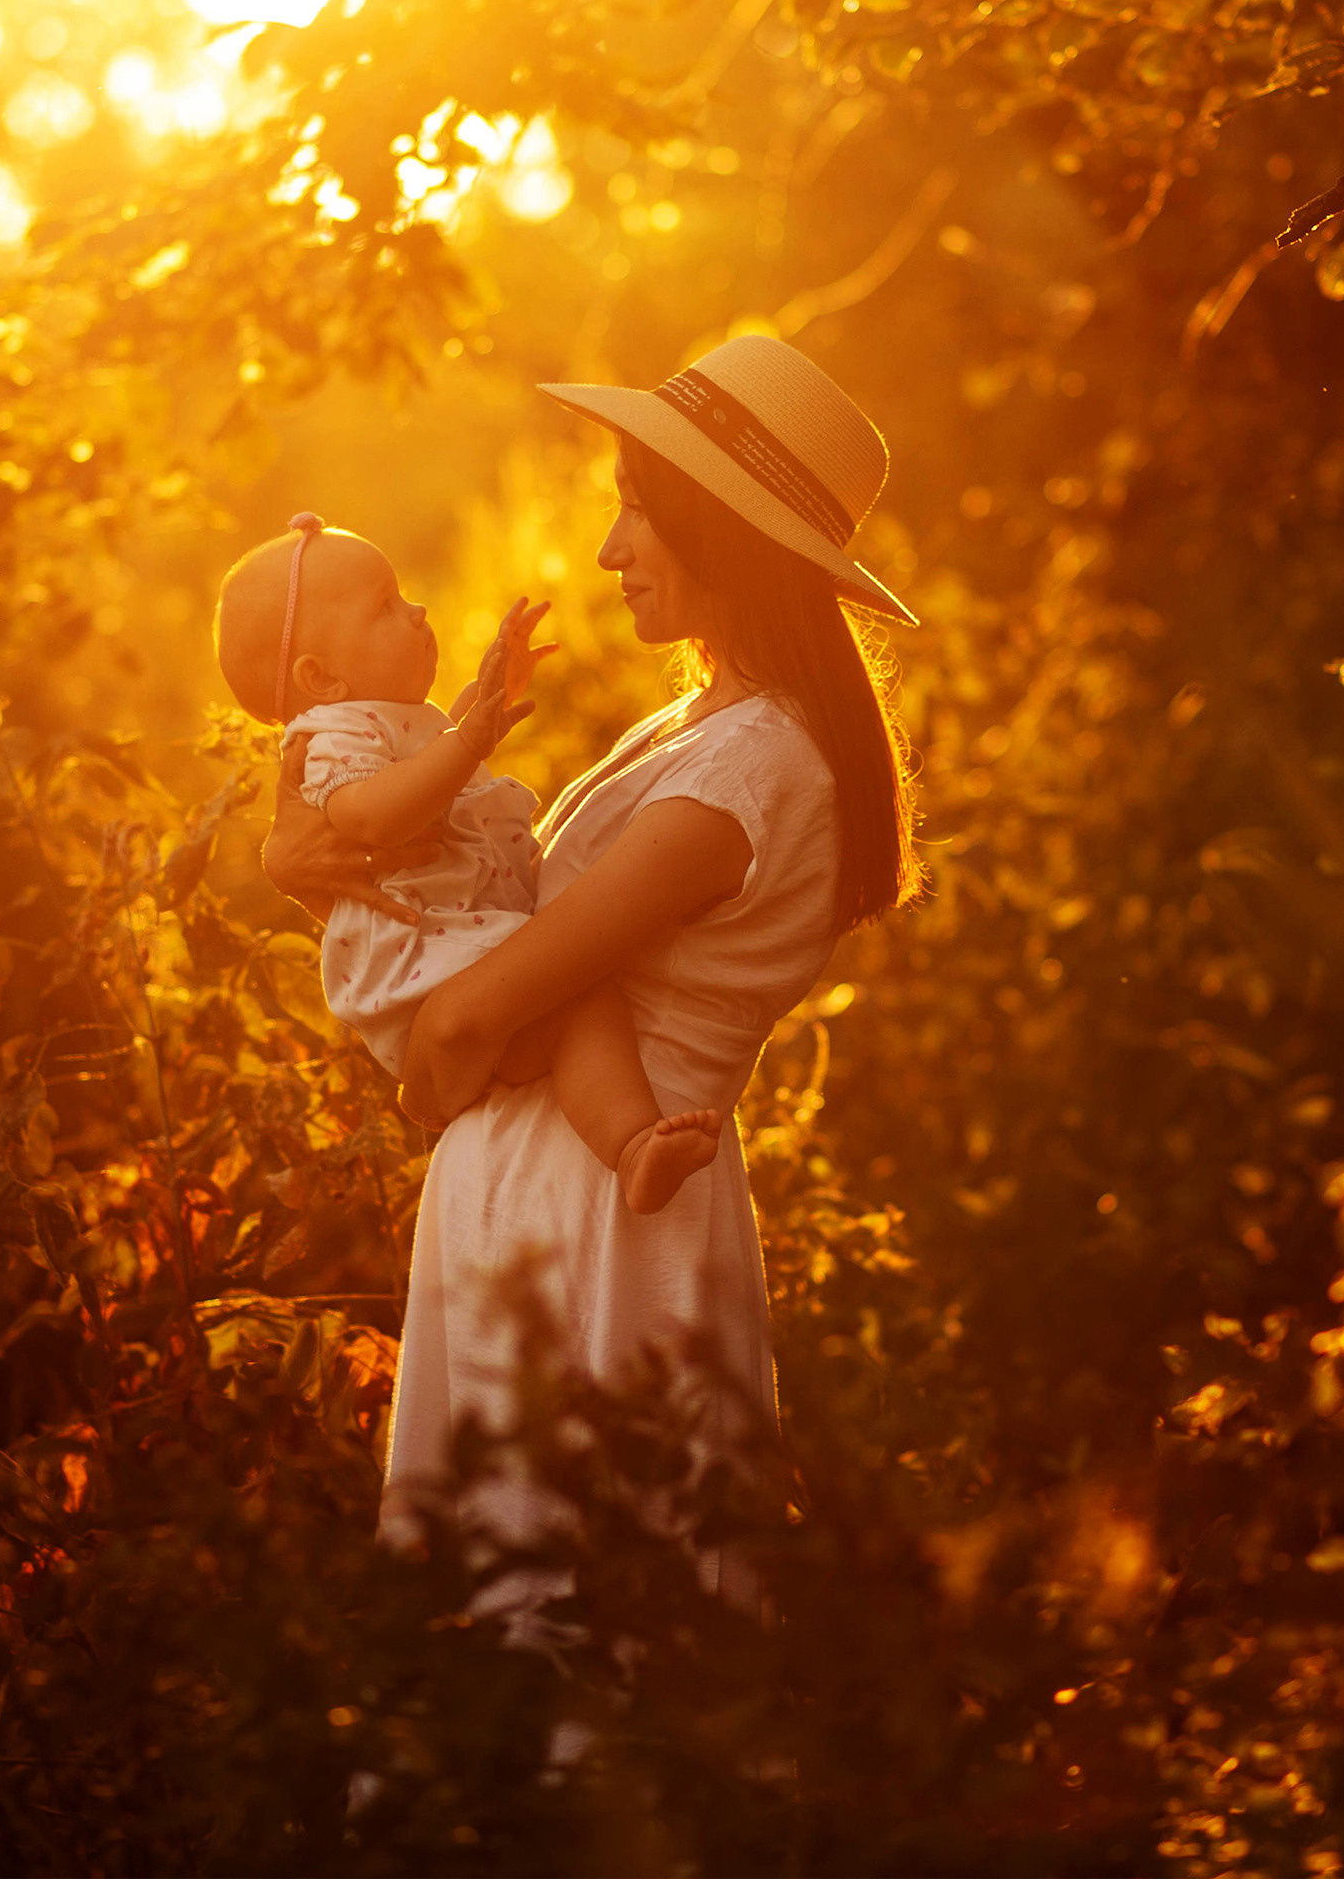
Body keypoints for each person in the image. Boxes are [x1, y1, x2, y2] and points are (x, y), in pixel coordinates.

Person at [262, 335, 923, 1599]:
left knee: (569, 1606)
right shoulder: (696, 729)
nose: (611, 548)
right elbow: (465, 938)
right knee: (527, 1608)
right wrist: (320, 872)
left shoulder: (746, 773)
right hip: (552, 1192)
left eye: (638, 509)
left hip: (600, 1211)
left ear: (724, 532)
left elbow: (473, 1021)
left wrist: (428, 1070)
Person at [214, 514, 725, 1212]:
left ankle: (631, 1147)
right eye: (386, 607)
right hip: (423, 954)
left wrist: (489, 698)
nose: (416, 611)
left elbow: (431, 758)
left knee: (566, 1018)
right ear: (320, 676)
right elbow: (373, 815)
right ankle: (632, 1143)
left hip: (452, 953)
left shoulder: (378, 720)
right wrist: (466, 741)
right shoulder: (330, 739)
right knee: (583, 998)